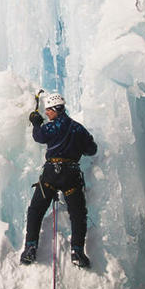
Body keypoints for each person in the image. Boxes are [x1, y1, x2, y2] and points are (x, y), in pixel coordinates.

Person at [20, 92, 97, 267]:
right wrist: (78, 147)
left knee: (36, 210)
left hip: (51, 174)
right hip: (71, 175)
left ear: (56, 109)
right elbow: (92, 149)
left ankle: (30, 247)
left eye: (48, 110)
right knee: (78, 215)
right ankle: (77, 251)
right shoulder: (78, 128)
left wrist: (36, 122)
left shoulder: (52, 127)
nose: (47, 113)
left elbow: (39, 136)